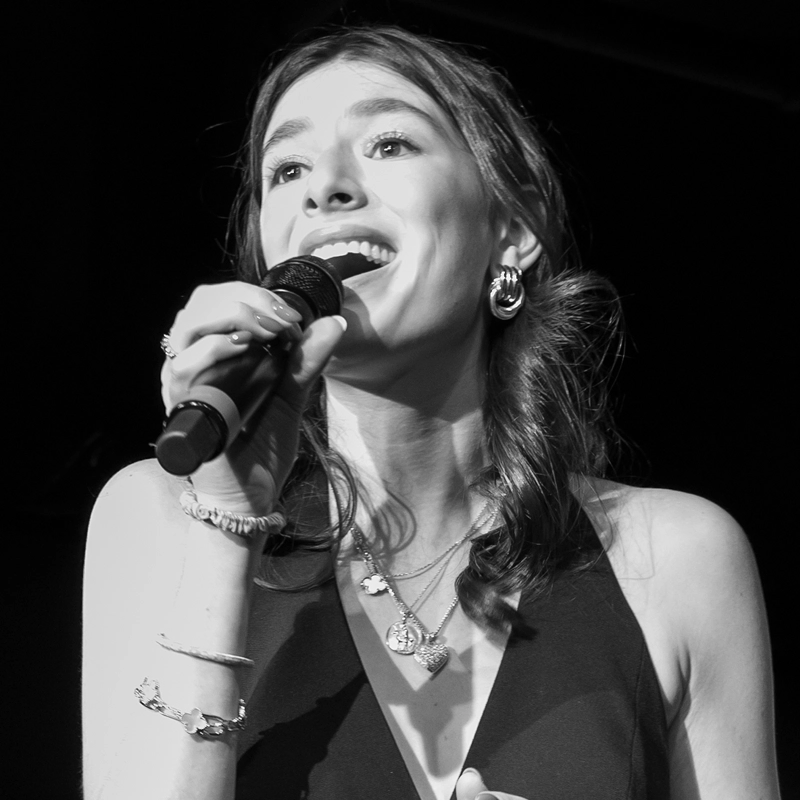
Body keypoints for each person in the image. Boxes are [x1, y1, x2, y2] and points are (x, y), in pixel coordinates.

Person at [81, 25, 780, 800]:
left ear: (510, 232)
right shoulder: (160, 512)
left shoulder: (674, 558)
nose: (326, 188)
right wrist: (224, 526)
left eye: (388, 144)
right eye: (287, 169)